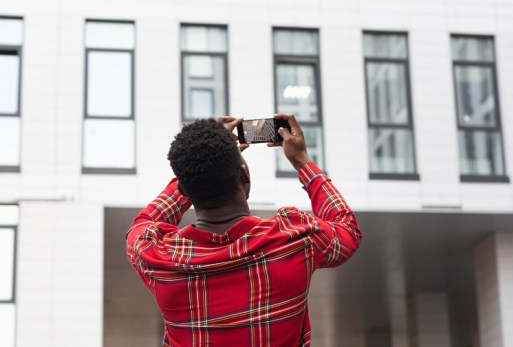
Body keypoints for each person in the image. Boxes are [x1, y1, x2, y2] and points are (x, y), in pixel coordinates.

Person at [126, 114, 362, 346]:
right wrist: (301, 160)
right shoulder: (295, 238)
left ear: (184, 190)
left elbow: (141, 225)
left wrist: (192, 171)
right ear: (244, 177)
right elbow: (347, 231)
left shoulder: (156, 257)